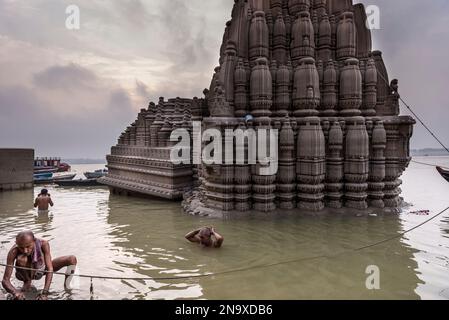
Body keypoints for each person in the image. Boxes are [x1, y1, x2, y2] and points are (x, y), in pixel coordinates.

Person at [1, 230, 77, 300]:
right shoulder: (13, 251)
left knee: (71, 259)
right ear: (17, 243)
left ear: (34, 241)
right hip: (23, 274)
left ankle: (67, 286)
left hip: (41, 269)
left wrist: (45, 293)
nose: (25, 251)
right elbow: (5, 280)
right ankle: (27, 282)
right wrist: (15, 292)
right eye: (21, 248)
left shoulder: (44, 243)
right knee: (22, 258)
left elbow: (49, 269)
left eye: (28, 246)